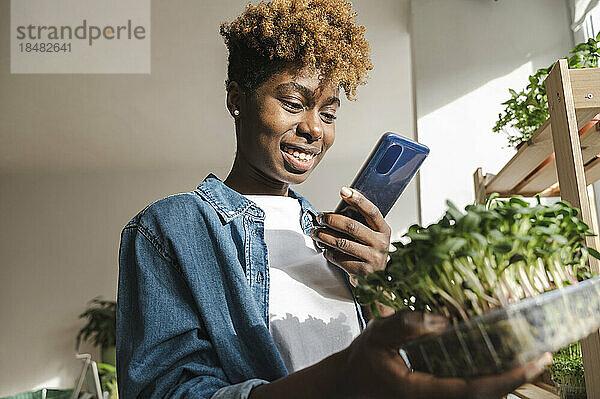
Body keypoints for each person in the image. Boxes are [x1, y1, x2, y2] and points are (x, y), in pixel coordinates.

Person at [116, 0, 552, 398]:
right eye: (292, 103)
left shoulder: (333, 238)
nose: (314, 129)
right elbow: (164, 392)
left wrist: (379, 284)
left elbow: (389, 367)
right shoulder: (170, 228)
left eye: (328, 113)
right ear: (237, 99)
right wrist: (342, 376)